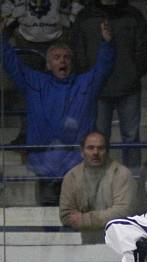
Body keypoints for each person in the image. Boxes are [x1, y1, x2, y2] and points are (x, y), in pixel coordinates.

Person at [1, 17, 114, 206]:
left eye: (67, 57)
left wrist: (107, 43)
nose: (63, 61)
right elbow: (12, 64)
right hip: (44, 168)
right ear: (48, 64)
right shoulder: (35, 83)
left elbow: (104, 67)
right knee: (48, 224)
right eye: (57, 57)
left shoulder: (85, 83)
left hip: (77, 168)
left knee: (77, 225)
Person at [72, 0, 147, 171]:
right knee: (98, 141)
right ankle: (101, 184)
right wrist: (89, 79)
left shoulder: (133, 15)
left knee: (131, 139)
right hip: (98, 90)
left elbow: (145, 48)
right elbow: (78, 50)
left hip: (128, 88)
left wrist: (134, 73)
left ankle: (132, 185)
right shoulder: (85, 17)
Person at [0, 0, 84, 146]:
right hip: (25, 41)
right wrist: (6, 31)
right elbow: (6, 9)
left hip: (57, 39)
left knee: (60, 89)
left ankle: (61, 132)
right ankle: (26, 132)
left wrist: (70, 26)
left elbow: (77, 8)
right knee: (25, 90)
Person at [59, 131, 137, 244]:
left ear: (107, 151)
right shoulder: (71, 177)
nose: (95, 152)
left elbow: (122, 212)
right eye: (90, 148)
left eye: (100, 148)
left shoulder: (122, 174)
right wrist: (105, 217)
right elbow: (66, 216)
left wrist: (85, 219)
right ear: (82, 151)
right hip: (81, 242)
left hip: (118, 241)